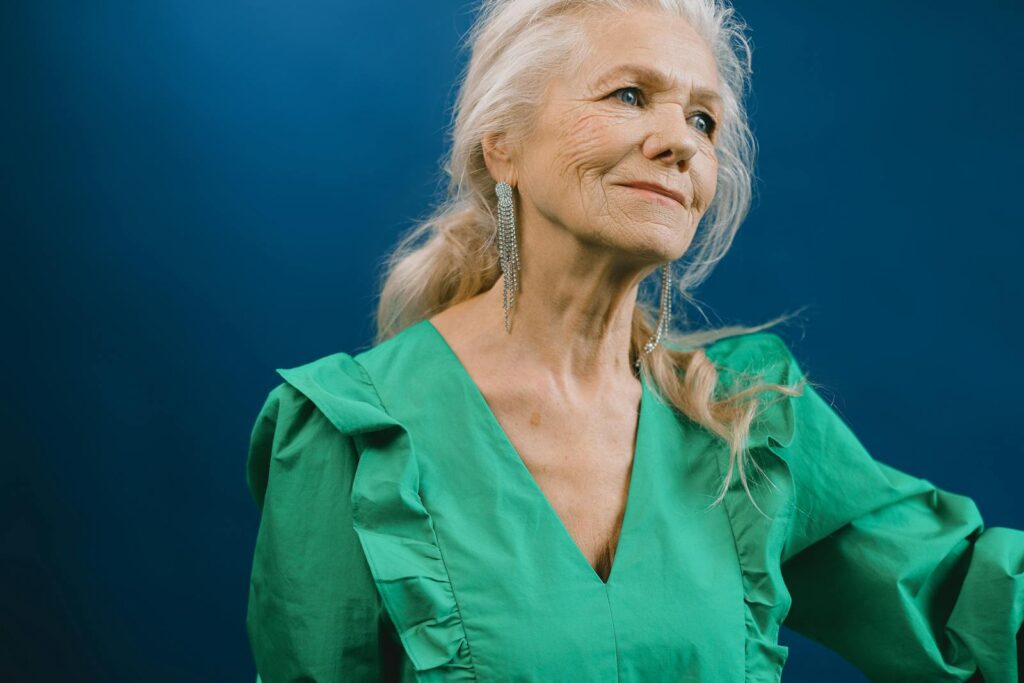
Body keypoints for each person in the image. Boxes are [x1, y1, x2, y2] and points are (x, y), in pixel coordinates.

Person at [243, 0, 1023, 681]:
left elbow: (964, 596)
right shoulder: (349, 434)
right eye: (629, 94)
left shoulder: (745, 421)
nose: (680, 142)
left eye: (702, 119)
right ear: (501, 142)